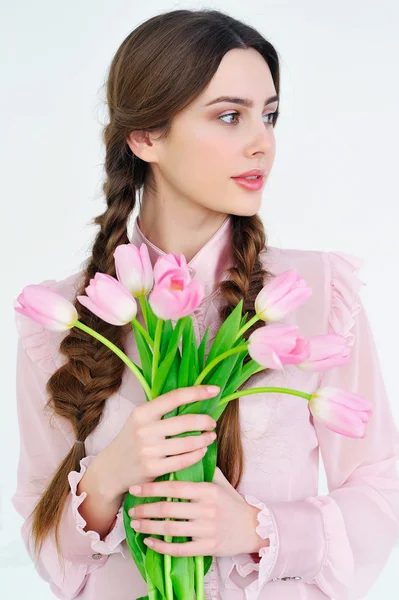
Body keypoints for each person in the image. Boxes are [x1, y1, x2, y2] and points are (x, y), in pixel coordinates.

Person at [12, 8, 399, 600]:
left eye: (269, 116)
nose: (261, 143)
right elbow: (43, 541)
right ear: (145, 137)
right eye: (229, 116)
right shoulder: (65, 317)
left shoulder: (316, 291)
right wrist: (109, 477)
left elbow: (380, 486)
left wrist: (255, 529)